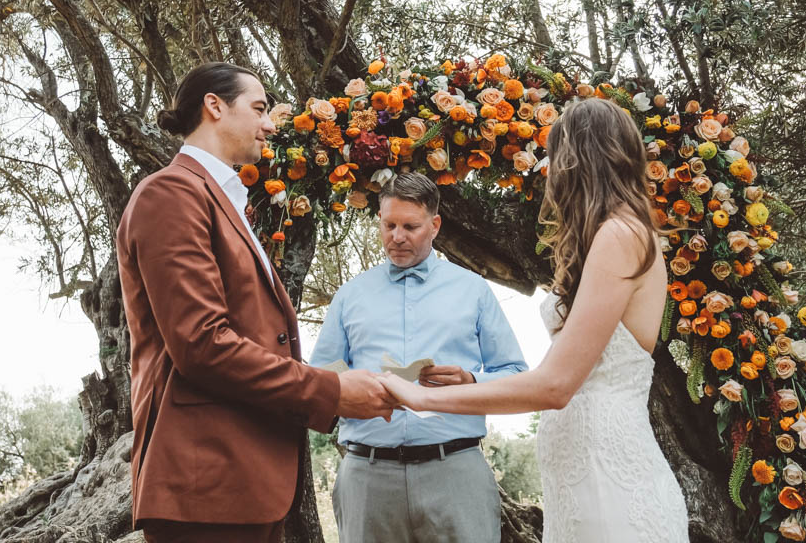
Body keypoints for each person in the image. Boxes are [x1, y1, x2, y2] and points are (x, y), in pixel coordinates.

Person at [378, 98, 690, 543]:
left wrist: (421, 399)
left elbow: (555, 385)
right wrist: (472, 384)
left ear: (577, 160)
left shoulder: (621, 235)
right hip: (582, 487)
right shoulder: (615, 235)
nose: (551, 171)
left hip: (611, 489)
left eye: (556, 156)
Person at [116, 62, 396, 543]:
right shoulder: (171, 193)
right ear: (214, 106)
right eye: (260, 108)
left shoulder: (223, 198)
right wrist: (330, 391)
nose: (270, 124)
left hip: (244, 479)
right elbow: (203, 344)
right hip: (207, 484)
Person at [311, 172, 529, 543]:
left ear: (435, 225)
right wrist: (345, 392)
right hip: (367, 475)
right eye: (389, 225)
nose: (397, 237)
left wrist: (471, 381)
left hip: (456, 474)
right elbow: (318, 380)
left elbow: (516, 376)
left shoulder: (473, 290)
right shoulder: (349, 296)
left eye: (410, 226)